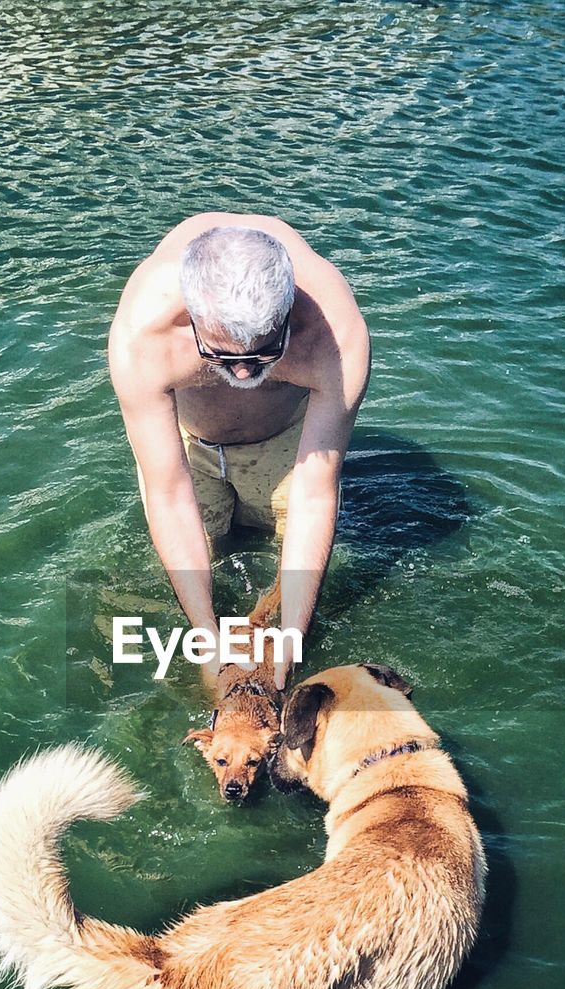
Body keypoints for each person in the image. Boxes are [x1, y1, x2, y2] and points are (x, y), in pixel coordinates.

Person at [108, 213, 371, 689]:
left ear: (289, 315)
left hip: (289, 448)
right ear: (191, 317)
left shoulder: (335, 332)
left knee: (307, 573)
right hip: (192, 448)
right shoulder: (143, 333)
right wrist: (205, 638)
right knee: (189, 570)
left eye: (265, 354)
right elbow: (167, 492)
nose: (246, 374)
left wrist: (292, 634)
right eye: (223, 357)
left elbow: (316, 491)